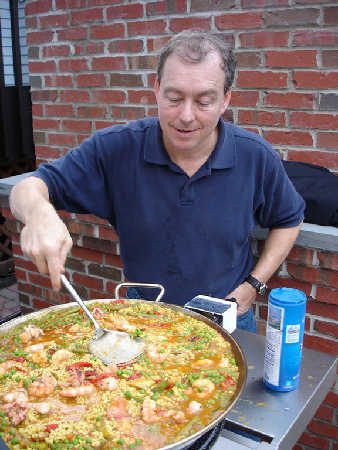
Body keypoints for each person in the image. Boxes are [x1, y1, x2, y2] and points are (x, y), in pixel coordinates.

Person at [10, 29, 305, 333]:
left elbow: (290, 219)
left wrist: (253, 285)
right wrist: (38, 213)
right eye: (174, 98)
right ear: (157, 89)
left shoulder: (255, 156)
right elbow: (29, 187)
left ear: (225, 99)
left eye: (204, 101)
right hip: (144, 314)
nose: (186, 116)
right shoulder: (117, 148)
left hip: (227, 314)